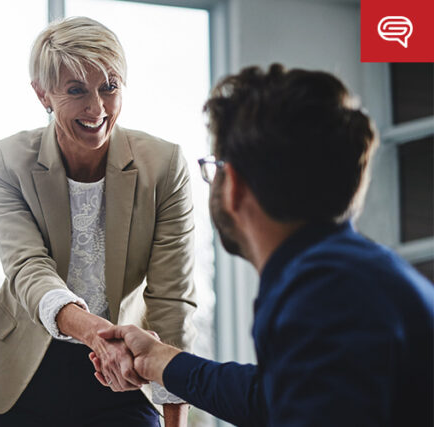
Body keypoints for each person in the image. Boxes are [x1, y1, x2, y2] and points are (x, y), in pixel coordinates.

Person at [95, 64, 434, 426]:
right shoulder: (351, 273)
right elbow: (274, 397)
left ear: (235, 185)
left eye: (215, 167)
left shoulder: (323, 291)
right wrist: (161, 360)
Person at [0, 16, 197, 426]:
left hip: (122, 372)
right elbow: (28, 269)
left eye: (110, 87)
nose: (97, 108)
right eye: (76, 90)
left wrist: (175, 418)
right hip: (22, 371)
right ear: (42, 94)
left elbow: (172, 300)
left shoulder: (164, 165)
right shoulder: (6, 161)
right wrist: (98, 336)